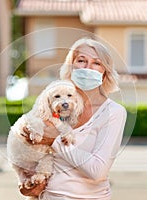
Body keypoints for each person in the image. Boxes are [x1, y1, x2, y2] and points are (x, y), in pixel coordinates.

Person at [20, 37, 127, 199]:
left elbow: (97, 170)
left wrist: (53, 141)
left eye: (97, 63)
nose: (88, 68)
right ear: (71, 67)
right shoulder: (53, 104)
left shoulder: (113, 112)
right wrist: (25, 182)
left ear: (105, 73)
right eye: (81, 60)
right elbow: (29, 151)